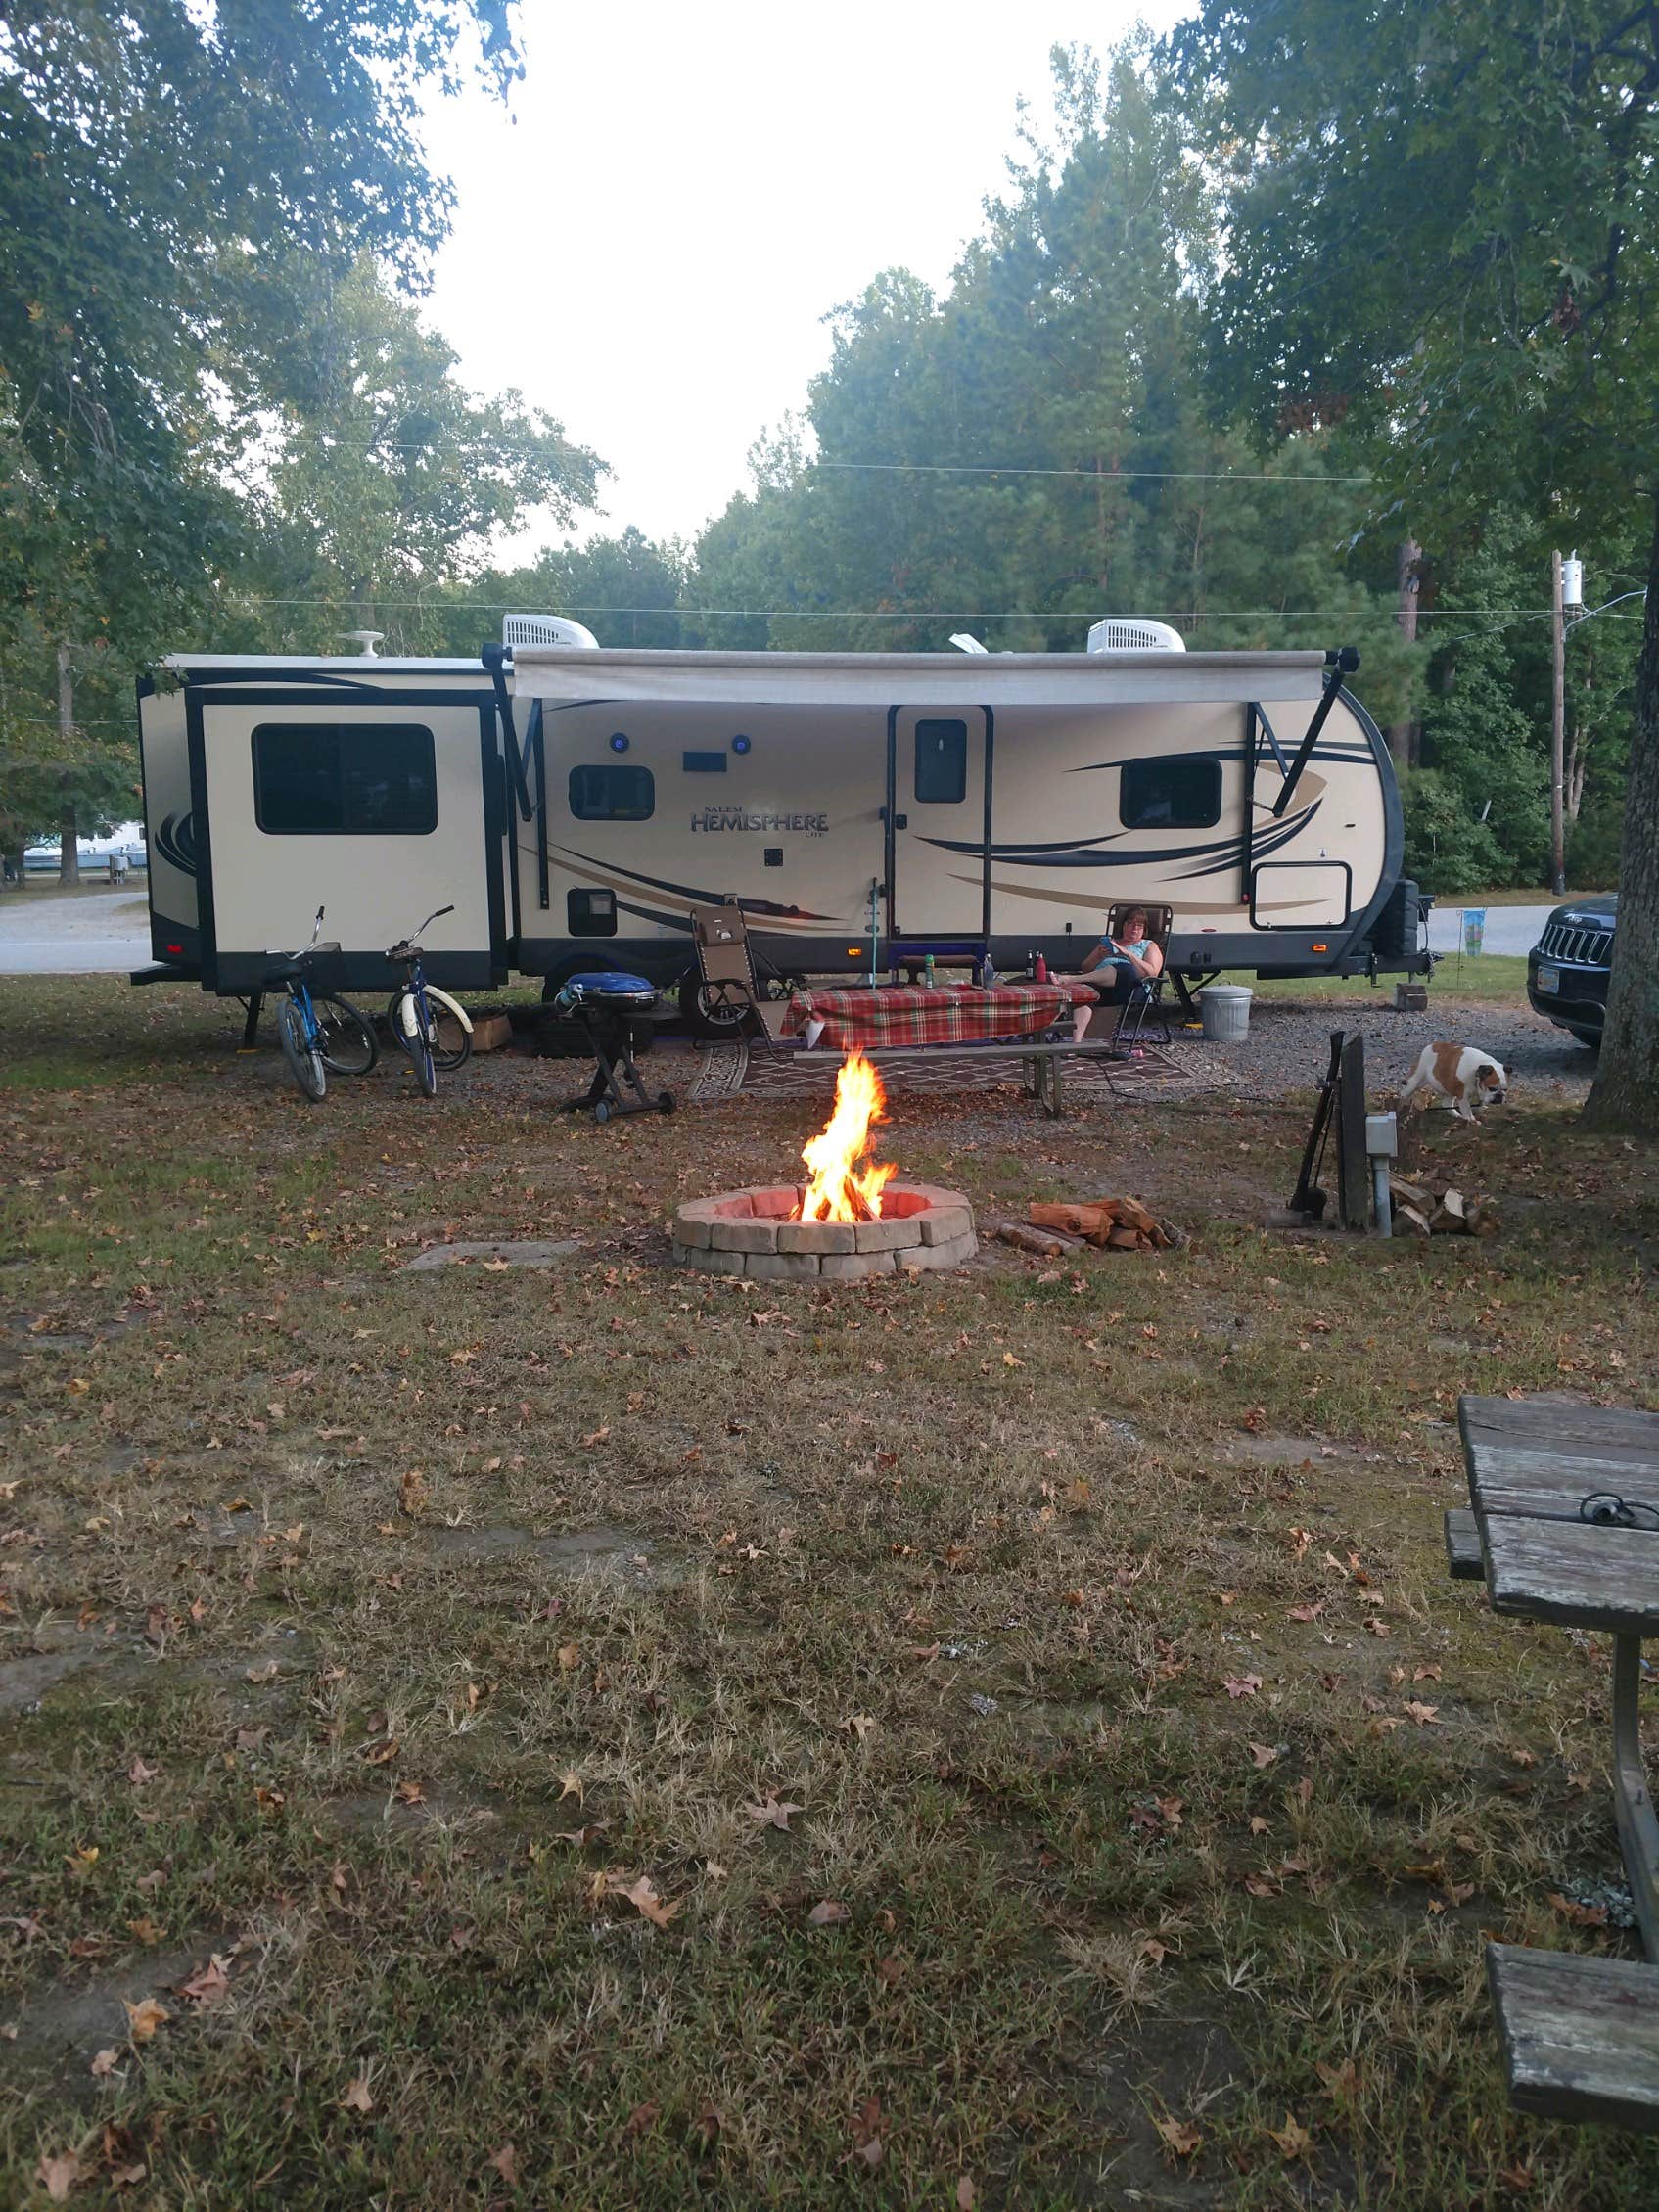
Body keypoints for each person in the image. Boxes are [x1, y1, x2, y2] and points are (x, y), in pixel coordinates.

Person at [1058, 906, 1164, 1041]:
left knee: (1125, 968)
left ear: (1145, 929)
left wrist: (1128, 954)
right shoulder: (1111, 943)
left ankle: (1071, 979)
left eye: (1139, 925)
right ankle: (1075, 1044)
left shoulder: (1149, 945)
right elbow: (1086, 967)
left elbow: (1152, 973)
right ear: (1123, 925)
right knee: (1084, 995)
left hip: (1131, 990)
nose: (1134, 928)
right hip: (1102, 989)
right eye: (1130, 923)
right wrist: (1098, 956)